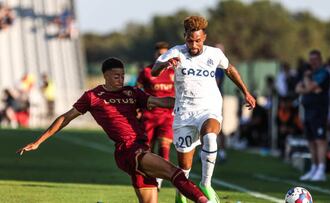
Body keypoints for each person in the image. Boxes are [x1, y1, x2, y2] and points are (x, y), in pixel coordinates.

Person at [17, 58, 210, 203]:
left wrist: (189, 103)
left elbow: (160, 102)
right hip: (129, 150)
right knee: (174, 172)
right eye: (116, 76)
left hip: (141, 148)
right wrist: (38, 142)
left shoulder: (131, 92)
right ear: (106, 76)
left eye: (123, 75)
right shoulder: (93, 96)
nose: (121, 79)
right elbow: (65, 117)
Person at [151, 16, 256, 202]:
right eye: (190, 40)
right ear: (185, 37)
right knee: (184, 168)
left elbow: (230, 69)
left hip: (209, 109)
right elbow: (154, 70)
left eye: (197, 41)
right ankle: (181, 191)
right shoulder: (176, 52)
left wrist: (246, 92)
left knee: (210, 137)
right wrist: (165, 64)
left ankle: (206, 184)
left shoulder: (214, 54)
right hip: (184, 114)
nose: (193, 45)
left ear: (204, 37)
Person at [137, 41, 175, 189]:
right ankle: (148, 176)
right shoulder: (146, 71)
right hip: (149, 116)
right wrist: (137, 110)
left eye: (164, 54)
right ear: (155, 55)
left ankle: (159, 180)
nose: (162, 56)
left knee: (164, 147)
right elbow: (138, 91)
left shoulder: (173, 72)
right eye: (159, 54)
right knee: (147, 149)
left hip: (167, 116)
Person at [296, 50, 330, 181]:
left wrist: (307, 82)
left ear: (320, 59)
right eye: (311, 59)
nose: (312, 62)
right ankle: (314, 167)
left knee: (320, 140)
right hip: (308, 111)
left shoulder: (323, 73)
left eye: (315, 59)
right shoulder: (312, 74)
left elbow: (309, 87)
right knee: (311, 141)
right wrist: (308, 88)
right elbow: (298, 88)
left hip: (319, 111)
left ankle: (321, 169)